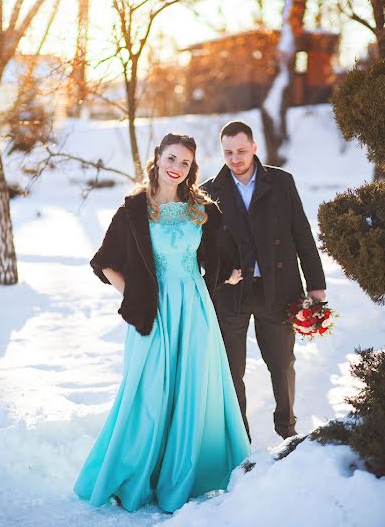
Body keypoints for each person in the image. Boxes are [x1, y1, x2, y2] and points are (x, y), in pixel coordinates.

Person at [73, 133, 251, 513]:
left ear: (191, 169)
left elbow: (215, 257)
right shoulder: (134, 209)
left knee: (192, 388)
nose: (177, 168)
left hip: (194, 308)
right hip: (152, 310)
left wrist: (224, 277)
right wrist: (131, 294)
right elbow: (103, 260)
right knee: (148, 388)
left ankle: (184, 476)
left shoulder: (201, 209)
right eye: (171, 158)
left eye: (185, 163)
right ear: (157, 157)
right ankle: (134, 474)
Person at [202, 121, 326, 441]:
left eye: (242, 151)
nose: (235, 158)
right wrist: (219, 276)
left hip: (278, 289)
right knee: (232, 371)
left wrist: (316, 285)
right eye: (228, 152)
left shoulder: (281, 182)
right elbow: (200, 251)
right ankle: (239, 439)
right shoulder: (208, 192)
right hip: (231, 293)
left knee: (281, 364)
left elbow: (302, 234)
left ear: (254, 147)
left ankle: (287, 430)